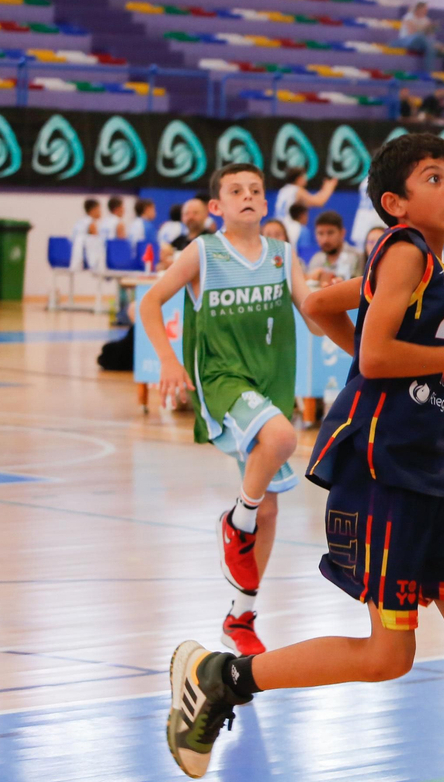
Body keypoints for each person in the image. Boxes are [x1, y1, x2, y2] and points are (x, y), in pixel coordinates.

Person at [164, 135, 444, 782]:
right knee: (390, 655)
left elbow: (313, 305)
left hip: (424, 470)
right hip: (381, 467)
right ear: (396, 203)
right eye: (433, 177)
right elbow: (374, 357)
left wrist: (366, 340)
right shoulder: (403, 248)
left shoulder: (428, 266)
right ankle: (222, 675)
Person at [139, 163, 319, 672]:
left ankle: (240, 616)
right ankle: (234, 521)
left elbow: (314, 316)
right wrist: (169, 360)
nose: (247, 196)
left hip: (270, 384)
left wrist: (348, 296)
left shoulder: (285, 256)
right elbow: (150, 303)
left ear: (266, 206)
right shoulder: (203, 252)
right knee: (282, 438)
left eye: (255, 191)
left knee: (271, 511)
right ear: (216, 207)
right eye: (235, 191)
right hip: (221, 380)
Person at [307, 211, 363, 285]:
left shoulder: (358, 257)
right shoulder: (316, 259)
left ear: (342, 233)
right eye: (320, 233)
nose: (325, 239)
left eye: (330, 233)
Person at [274, 167, 339, 230]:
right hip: (290, 228)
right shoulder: (297, 190)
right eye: (304, 177)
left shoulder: (283, 190)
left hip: (279, 227)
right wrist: (329, 187)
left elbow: (316, 198)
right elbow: (319, 202)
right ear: (299, 178)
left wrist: (324, 188)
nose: (306, 179)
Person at [397, 0, 444, 75]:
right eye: (424, 9)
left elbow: (429, 36)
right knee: (423, 39)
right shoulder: (409, 17)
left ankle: (442, 71)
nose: (426, 11)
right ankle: (428, 72)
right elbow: (412, 34)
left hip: (423, 43)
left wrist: (431, 29)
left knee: (441, 46)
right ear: (418, 8)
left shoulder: (426, 20)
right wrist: (424, 30)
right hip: (408, 41)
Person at [70, 198, 103, 270]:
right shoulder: (91, 224)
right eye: (99, 209)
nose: (100, 212)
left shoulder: (80, 221)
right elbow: (97, 244)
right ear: (93, 210)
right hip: (83, 257)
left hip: (73, 253)